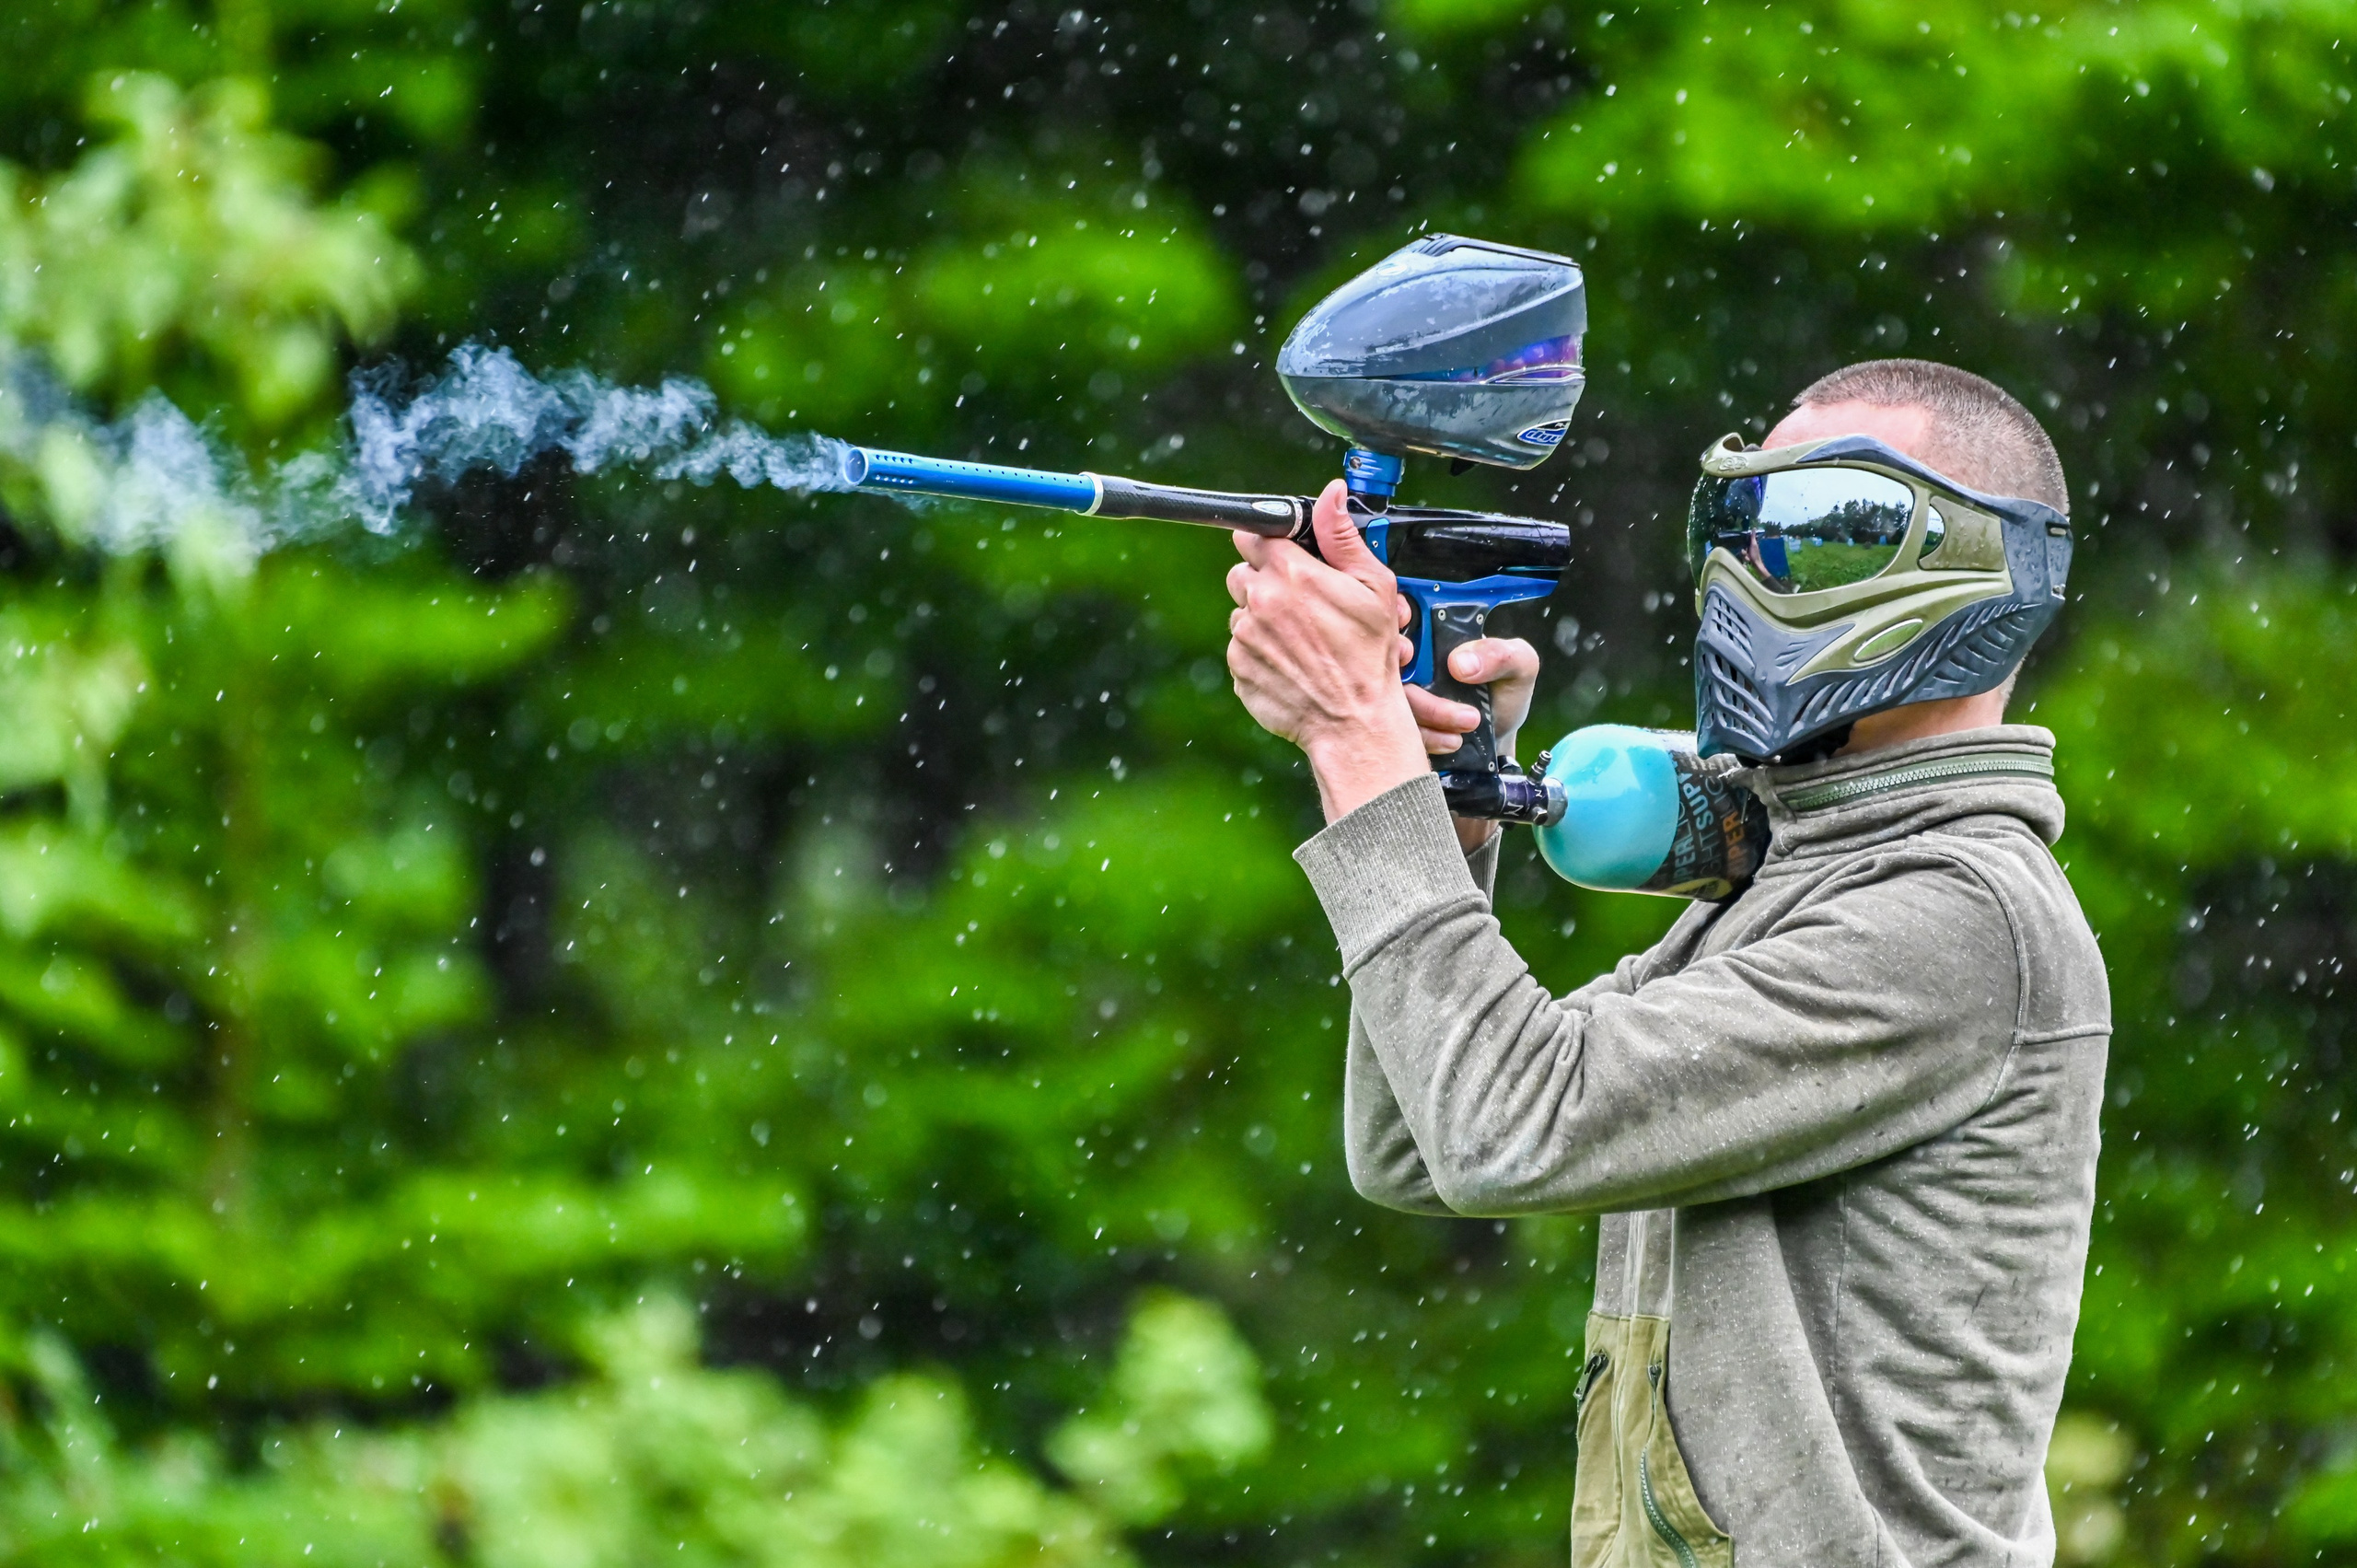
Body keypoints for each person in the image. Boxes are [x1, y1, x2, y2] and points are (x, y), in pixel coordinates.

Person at [1224, 358, 2111, 1568]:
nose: (1748, 573)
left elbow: (1504, 1126)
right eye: (1735, 527)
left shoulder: (1955, 916)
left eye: (1809, 528)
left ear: (1971, 572)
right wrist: (1446, 810)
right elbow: (1424, 1149)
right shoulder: (1805, 878)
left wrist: (1355, 742)